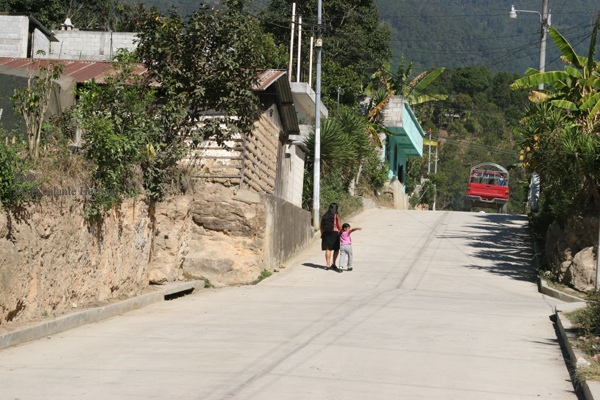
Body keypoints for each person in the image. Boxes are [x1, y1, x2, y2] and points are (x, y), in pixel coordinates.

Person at [320, 203, 342, 271]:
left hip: (326, 233)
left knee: (328, 249)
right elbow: (339, 226)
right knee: (336, 249)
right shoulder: (337, 216)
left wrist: (322, 234)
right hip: (334, 234)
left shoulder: (324, 215)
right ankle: (333, 263)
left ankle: (327, 264)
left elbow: (321, 226)